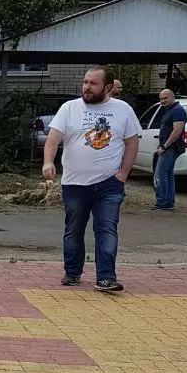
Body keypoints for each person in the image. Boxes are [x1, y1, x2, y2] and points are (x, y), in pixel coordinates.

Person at [43, 66, 141, 292]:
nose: (87, 87)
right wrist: (48, 162)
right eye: (85, 82)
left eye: (93, 84)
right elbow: (53, 138)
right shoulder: (69, 108)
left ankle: (106, 277)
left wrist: (123, 174)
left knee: (107, 229)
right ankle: (72, 272)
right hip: (75, 183)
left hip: (109, 184)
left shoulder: (122, 110)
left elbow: (132, 143)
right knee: (74, 229)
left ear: (107, 87)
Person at [151, 87, 187, 211]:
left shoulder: (178, 111)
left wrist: (165, 146)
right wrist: (160, 146)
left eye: (165, 98)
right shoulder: (169, 110)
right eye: (161, 99)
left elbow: (177, 131)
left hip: (171, 148)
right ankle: (168, 203)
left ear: (173, 97)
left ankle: (162, 202)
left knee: (160, 175)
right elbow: (166, 130)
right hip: (168, 147)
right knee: (168, 175)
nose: (163, 101)